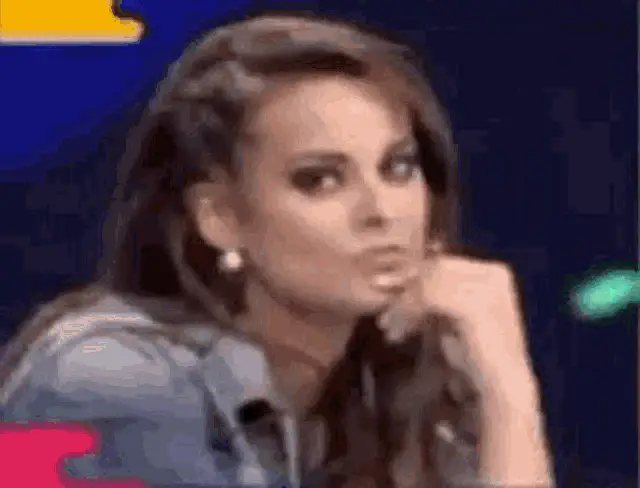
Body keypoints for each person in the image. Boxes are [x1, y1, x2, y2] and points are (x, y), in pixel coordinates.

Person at [0, 11, 554, 488]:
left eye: (398, 167)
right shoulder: (110, 378)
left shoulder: (404, 395)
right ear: (220, 218)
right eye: (320, 180)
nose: (381, 211)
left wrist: (507, 385)